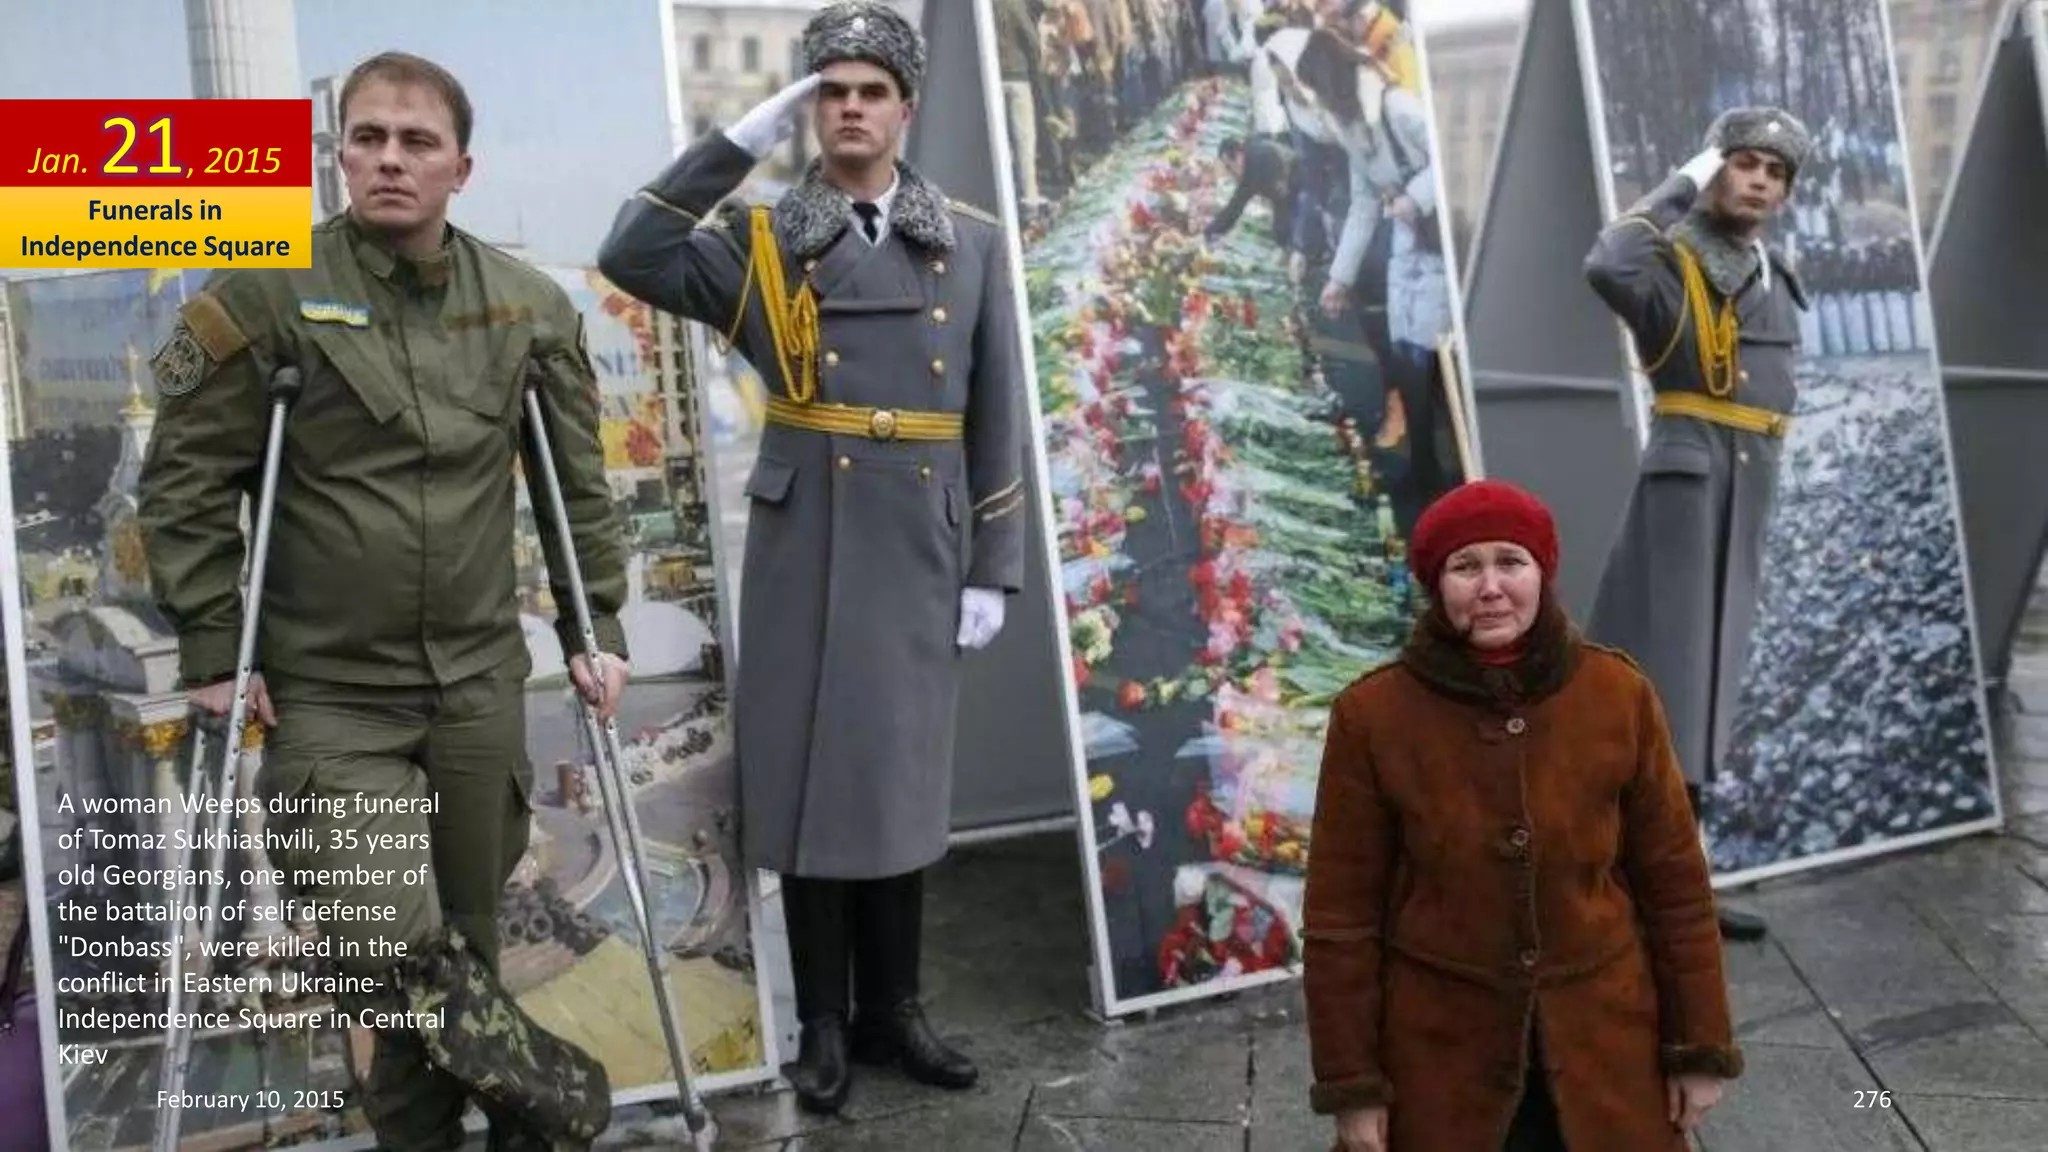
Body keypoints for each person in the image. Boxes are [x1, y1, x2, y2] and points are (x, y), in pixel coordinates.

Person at [137, 50, 623, 1151]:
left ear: (461, 167)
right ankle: (546, 1102)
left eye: (415, 141)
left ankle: (480, 1129)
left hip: (477, 687)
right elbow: (184, 481)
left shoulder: (527, 309)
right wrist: (213, 643)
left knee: (461, 952)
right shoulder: (262, 297)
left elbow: (577, 486)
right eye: (367, 138)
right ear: (341, 154)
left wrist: (595, 624)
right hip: (331, 696)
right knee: (395, 950)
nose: (389, 159)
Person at [594, 0, 1026, 1116]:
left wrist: (995, 561)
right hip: (809, 540)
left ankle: (896, 1009)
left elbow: (995, 412)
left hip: (920, 538)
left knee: (897, 778)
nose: (850, 110)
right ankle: (824, 1021)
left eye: (870, 92)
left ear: (904, 108)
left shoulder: (970, 240)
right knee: (808, 780)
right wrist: (733, 145)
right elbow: (630, 252)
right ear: (809, 110)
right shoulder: (762, 240)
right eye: (830, 93)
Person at [1303, 479, 1742, 1152]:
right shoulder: (1373, 717)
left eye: (1511, 561)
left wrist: (1699, 1047)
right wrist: (1353, 1087)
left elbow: (1676, 887)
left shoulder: (1618, 695)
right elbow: (1341, 920)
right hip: (1439, 1059)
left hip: (1608, 1047)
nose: (1490, 587)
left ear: (1542, 573)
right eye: (1465, 566)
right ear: (1436, 583)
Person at [1582, 107, 1814, 943]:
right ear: (1716, 169)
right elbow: (1607, 260)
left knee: (1708, 689)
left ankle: (1677, 885)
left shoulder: (1773, 274)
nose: (1759, 181)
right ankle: (1645, 890)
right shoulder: (1670, 262)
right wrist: (1682, 181)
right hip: (1686, 485)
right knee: (1672, 686)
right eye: (1743, 163)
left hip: (1746, 488)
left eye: (1775, 172)